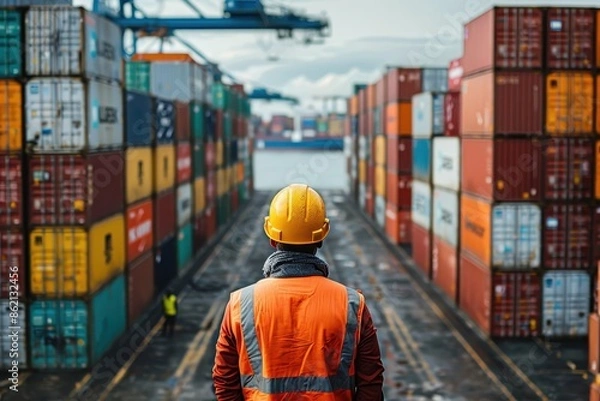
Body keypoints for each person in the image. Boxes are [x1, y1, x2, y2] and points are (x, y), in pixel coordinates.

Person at [212, 184, 385, 400]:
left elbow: (225, 383)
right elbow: (371, 384)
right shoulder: (353, 305)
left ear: (272, 238)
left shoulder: (240, 304)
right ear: (321, 238)